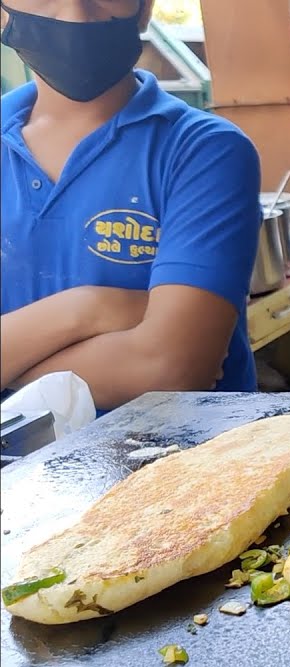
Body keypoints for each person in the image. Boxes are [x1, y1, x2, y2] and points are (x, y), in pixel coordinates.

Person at [0, 0, 262, 411]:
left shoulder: (203, 149)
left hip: (185, 462)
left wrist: (10, 364)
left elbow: (171, 369)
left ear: (145, 8)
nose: (75, 15)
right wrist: (89, 307)